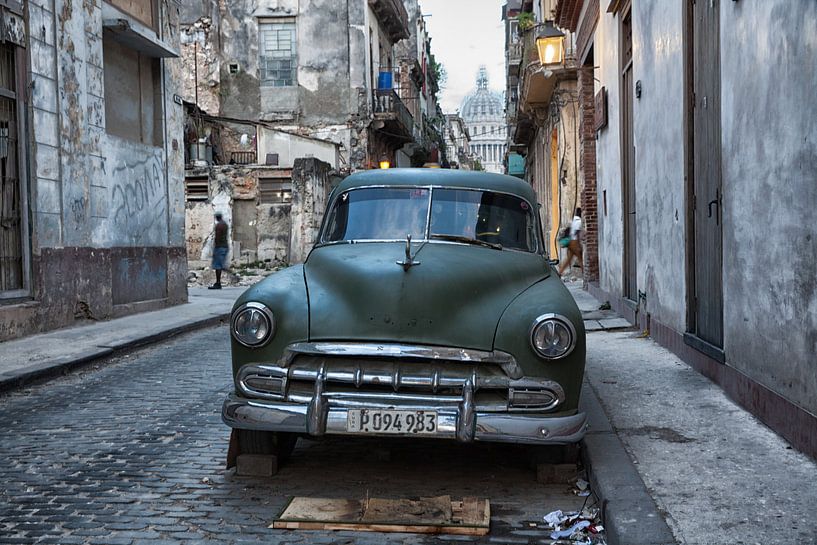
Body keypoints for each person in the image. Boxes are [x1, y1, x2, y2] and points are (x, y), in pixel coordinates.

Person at [558, 207, 583, 277]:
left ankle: (560, 272)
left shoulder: (574, 220)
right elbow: (577, 232)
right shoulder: (579, 221)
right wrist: (578, 244)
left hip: (570, 242)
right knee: (581, 259)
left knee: (568, 260)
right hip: (575, 242)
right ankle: (586, 274)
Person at [209, 212, 229, 289]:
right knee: (220, 265)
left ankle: (218, 283)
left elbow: (217, 237)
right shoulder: (225, 224)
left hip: (219, 247)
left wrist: (215, 246)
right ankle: (218, 281)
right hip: (224, 246)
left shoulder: (219, 225)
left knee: (218, 266)